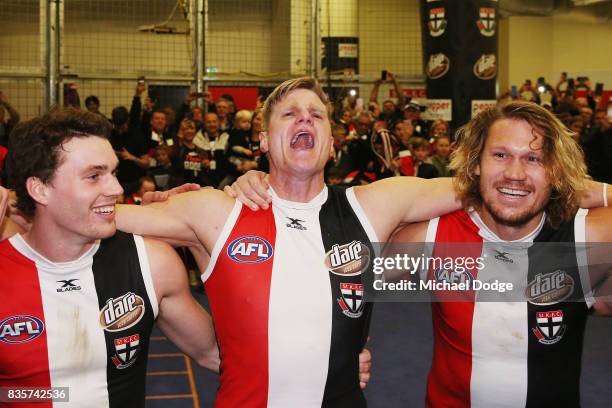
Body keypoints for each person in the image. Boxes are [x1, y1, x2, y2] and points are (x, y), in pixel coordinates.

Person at [113, 77, 469, 406]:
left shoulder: (372, 207)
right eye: (290, 114)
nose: (305, 120)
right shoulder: (216, 209)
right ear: (264, 139)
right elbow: (98, 216)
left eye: (316, 115)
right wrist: (147, 199)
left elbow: (477, 188)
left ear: (332, 144)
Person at [388, 101, 612, 407]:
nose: (514, 173)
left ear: (555, 170)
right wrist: (347, 353)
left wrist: (585, 190)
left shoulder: (584, 238)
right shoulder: (434, 235)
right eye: (500, 155)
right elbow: (338, 275)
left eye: (534, 158)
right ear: (476, 162)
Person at [0, 108, 219, 407]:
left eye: (113, 172)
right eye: (93, 176)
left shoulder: (150, 263)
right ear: (39, 189)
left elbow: (216, 355)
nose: (116, 189)